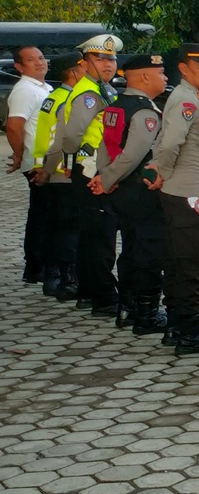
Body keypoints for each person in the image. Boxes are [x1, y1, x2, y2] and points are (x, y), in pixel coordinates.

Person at [151, 43, 199, 354]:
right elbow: (170, 143)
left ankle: (176, 325)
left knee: (177, 261)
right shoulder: (185, 99)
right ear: (183, 68)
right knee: (189, 264)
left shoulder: (192, 97)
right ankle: (188, 331)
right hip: (188, 193)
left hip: (183, 191)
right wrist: (164, 171)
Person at [91, 53, 171, 334]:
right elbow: (132, 155)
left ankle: (128, 306)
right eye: (161, 73)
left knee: (131, 248)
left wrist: (104, 176)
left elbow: (105, 146)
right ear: (145, 76)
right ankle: (146, 314)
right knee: (149, 250)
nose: (166, 78)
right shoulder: (144, 111)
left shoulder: (116, 106)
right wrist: (108, 177)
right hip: (141, 190)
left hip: (120, 189)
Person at [42, 34, 121, 317]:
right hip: (90, 169)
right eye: (100, 59)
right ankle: (103, 296)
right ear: (84, 62)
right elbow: (72, 136)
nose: (108, 64)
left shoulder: (104, 90)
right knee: (99, 236)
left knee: (94, 234)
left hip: (94, 168)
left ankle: (90, 292)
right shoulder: (89, 93)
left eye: (111, 59)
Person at [30, 54, 80, 300]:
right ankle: (66, 278)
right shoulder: (70, 100)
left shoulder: (54, 97)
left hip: (50, 169)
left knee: (54, 226)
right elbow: (62, 140)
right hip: (64, 171)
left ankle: (53, 277)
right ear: (73, 73)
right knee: (68, 229)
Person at [5, 45, 51, 285]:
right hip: (36, 161)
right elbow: (13, 125)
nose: (39, 62)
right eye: (31, 60)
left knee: (44, 213)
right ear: (19, 67)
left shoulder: (43, 87)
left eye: (41, 58)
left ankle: (40, 264)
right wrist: (19, 154)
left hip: (45, 160)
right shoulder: (25, 89)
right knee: (41, 216)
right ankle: (36, 266)